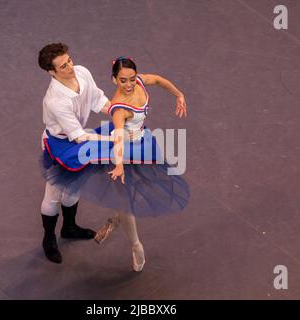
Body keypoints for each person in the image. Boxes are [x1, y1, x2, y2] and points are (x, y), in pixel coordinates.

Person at [41, 56, 190, 272]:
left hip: (138, 145)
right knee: (60, 193)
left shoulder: (89, 74)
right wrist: (118, 159)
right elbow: (97, 135)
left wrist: (179, 95)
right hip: (82, 144)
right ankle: (134, 245)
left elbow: (156, 80)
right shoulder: (57, 101)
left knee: (95, 191)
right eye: (122, 81)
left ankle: (81, 225)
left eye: (131, 79)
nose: (129, 84)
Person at [37, 42, 113, 264]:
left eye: (69, 60)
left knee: (74, 187)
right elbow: (79, 136)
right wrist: (114, 139)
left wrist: (119, 112)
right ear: (51, 72)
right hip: (60, 144)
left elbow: (98, 99)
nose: (70, 67)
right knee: (54, 194)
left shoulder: (82, 72)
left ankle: (69, 228)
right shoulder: (55, 100)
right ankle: (48, 238)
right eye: (63, 66)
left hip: (79, 138)